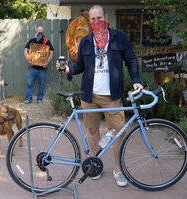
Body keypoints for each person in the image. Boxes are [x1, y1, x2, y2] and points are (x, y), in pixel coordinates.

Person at [56, 5, 142, 187]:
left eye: (99, 18)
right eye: (93, 19)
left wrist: (136, 80)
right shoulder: (86, 42)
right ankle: (95, 164)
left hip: (112, 95)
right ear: (90, 21)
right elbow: (78, 66)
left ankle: (118, 169)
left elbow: (131, 59)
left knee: (118, 132)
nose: (96, 22)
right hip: (89, 95)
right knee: (92, 131)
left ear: (106, 17)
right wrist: (67, 69)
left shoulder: (119, 37)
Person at [23, 26, 54, 104]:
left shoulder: (47, 42)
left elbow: (51, 53)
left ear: (44, 33)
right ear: (36, 32)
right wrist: (28, 60)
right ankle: (28, 99)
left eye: (42, 32)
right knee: (29, 84)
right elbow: (25, 51)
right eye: (39, 32)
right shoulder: (31, 41)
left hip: (42, 69)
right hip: (32, 67)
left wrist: (47, 63)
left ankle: (39, 99)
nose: (40, 34)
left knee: (42, 85)